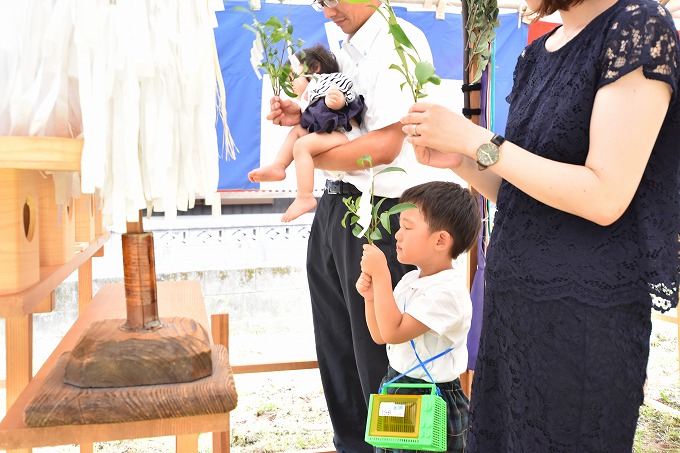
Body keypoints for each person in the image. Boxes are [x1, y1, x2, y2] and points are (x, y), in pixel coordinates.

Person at [399, 0, 680, 450]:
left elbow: (605, 195)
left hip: (583, 321)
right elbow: (527, 194)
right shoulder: (541, 49)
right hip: (513, 311)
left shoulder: (638, 27)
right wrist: (463, 162)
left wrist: (479, 141)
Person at [267, 0, 434, 451]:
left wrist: (307, 151)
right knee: (337, 345)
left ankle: (397, 447)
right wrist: (302, 122)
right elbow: (348, 123)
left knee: (380, 352)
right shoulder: (346, 48)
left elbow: (381, 147)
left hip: (381, 214)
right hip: (335, 206)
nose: (328, 9)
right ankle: (352, 444)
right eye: (320, 1)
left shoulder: (402, 44)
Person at [356, 181, 481, 453]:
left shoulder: (448, 293)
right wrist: (372, 298)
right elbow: (380, 335)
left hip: (432, 396)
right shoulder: (412, 279)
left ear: (440, 240)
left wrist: (381, 274)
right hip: (397, 384)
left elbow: (393, 331)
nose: (398, 235)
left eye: (408, 227)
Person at [248, 44, 365, 222]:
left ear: (315, 68)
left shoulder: (327, 81)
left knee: (302, 145)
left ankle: (305, 196)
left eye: (291, 78)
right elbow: (316, 116)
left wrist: (338, 101)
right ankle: (279, 165)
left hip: (346, 135)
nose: (289, 86)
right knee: (298, 131)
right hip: (333, 134)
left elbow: (346, 92)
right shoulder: (309, 97)